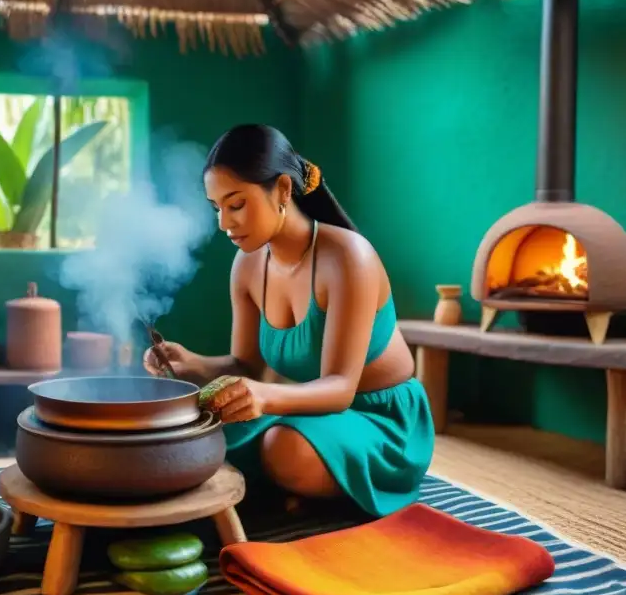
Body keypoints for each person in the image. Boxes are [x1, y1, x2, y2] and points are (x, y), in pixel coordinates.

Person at [143, 124, 434, 518]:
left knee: (284, 448)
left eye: (237, 204)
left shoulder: (348, 257)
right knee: (188, 434)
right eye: (217, 208)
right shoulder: (247, 265)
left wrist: (262, 396)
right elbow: (245, 366)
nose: (224, 223)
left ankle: (298, 488)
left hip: (378, 422)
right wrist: (191, 363)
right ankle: (291, 493)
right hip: (307, 412)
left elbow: (340, 390)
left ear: (282, 189)